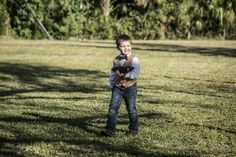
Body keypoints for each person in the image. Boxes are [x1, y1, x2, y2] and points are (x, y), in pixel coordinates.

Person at [101, 34, 140, 137]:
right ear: (118, 47)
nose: (126, 48)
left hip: (130, 87)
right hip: (117, 87)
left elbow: (135, 73)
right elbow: (113, 73)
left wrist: (125, 75)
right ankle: (110, 129)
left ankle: (133, 129)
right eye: (123, 46)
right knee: (113, 108)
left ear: (131, 46)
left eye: (128, 45)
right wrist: (111, 84)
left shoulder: (134, 60)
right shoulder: (116, 60)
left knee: (131, 109)